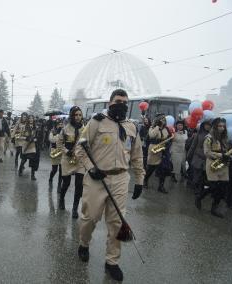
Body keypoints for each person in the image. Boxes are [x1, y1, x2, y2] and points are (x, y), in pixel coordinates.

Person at [75, 89, 145, 282]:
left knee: (117, 223)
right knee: (90, 218)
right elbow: (80, 147)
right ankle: (84, 243)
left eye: (125, 102)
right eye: (118, 101)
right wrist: (90, 168)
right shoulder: (96, 122)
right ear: (110, 102)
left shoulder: (132, 127)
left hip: (121, 179)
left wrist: (140, 179)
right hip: (97, 179)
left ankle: (112, 261)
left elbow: (137, 155)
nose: (121, 104)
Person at [197, 118, 232, 218]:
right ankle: (199, 197)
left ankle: (214, 208)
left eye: (223, 126)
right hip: (213, 164)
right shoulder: (209, 138)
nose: (222, 128)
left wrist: (230, 156)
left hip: (223, 165)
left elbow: (229, 150)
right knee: (213, 187)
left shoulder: (225, 138)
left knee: (221, 189)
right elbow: (207, 152)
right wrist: (222, 155)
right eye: (219, 126)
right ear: (215, 126)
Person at [57, 106, 85, 219]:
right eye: (76, 115)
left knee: (79, 185)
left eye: (79, 115)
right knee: (66, 183)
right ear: (72, 116)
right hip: (67, 159)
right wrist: (66, 151)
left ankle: (74, 208)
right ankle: (62, 199)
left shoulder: (85, 129)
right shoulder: (65, 129)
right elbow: (59, 144)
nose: (78, 117)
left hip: (79, 160)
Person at [144, 114, 172, 193]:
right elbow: (151, 135)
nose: (163, 121)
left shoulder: (166, 129)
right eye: (161, 119)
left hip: (163, 149)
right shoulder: (152, 127)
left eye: (164, 119)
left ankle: (161, 186)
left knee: (163, 169)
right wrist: (158, 127)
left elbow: (169, 137)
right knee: (151, 168)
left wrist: (169, 141)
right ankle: (145, 180)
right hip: (154, 149)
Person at [187, 121, 211, 199]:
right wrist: (189, 156)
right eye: (206, 125)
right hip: (197, 158)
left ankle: (201, 190)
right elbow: (193, 146)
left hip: (207, 158)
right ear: (203, 126)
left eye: (209, 125)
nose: (207, 127)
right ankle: (196, 189)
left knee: (204, 177)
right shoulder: (198, 134)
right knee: (197, 176)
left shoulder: (212, 135)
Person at [18, 115, 40, 180]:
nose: (31, 119)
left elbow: (38, 136)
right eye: (29, 118)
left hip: (33, 146)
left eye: (32, 118)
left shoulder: (36, 127)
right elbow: (20, 136)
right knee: (24, 160)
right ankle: (20, 170)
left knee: (33, 161)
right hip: (26, 145)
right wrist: (26, 138)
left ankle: (32, 175)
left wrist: (36, 139)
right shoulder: (24, 127)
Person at [48, 120, 63, 192]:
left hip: (62, 151)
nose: (60, 125)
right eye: (59, 124)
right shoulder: (52, 131)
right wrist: (58, 134)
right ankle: (51, 178)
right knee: (54, 169)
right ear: (56, 125)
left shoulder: (64, 131)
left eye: (61, 124)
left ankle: (59, 185)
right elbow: (52, 140)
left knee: (61, 170)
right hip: (54, 151)